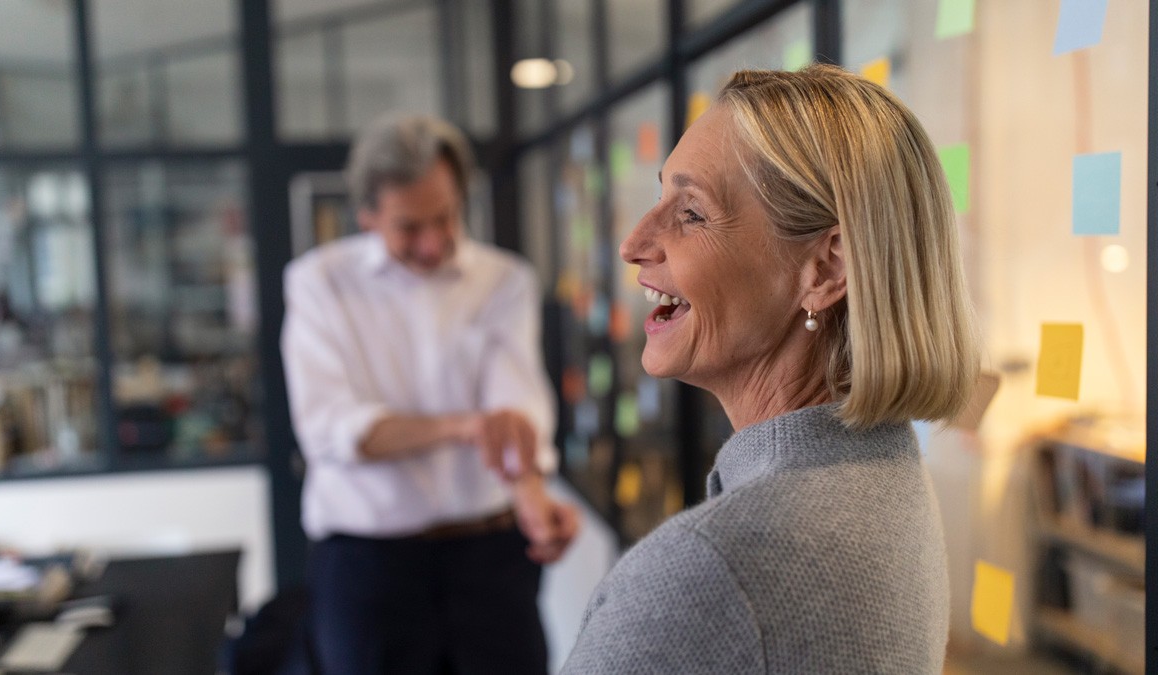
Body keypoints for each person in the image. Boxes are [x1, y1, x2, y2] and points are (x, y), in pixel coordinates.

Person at [561, 65, 980, 673]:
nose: (633, 242)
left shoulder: (708, 570)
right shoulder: (883, 469)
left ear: (827, 270)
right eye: (660, 198)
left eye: (692, 213)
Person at [281, 114, 580, 674]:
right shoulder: (319, 283)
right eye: (409, 227)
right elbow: (331, 429)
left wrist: (533, 500)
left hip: (491, 561)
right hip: (369, 570)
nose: (434, 242)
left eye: (446, 217)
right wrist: (465, 427)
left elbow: (514, 407)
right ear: (367, 215)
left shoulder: (504, 281)